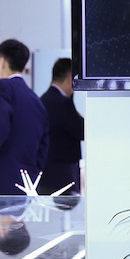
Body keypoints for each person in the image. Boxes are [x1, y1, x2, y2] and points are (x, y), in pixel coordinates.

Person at [0, 38, 48, 194]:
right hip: (29, 178)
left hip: (3, 174)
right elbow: (44, 141)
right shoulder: (35, 99)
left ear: (1, 61)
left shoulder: (3, 87)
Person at [38, 56, 84, 195]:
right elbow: (82, 131)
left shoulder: (42, 100)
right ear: (70, 79)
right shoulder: (63, 103)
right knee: (66, 206)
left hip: (45, 170)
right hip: (63, 172)